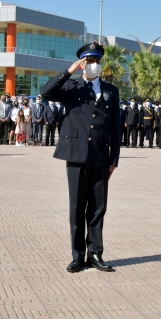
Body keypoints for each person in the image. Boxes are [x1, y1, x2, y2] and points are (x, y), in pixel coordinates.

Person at [40, 41, 121, 273]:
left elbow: (116, 127)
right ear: (82, 63)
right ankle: (78, 256)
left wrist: (113, 159)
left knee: (98, 208)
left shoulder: (111, 91)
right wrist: (69, 71)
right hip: (75, 154)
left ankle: (95, 253)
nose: (92, 65)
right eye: (88, 61)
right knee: (77, 208)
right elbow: (46, 92)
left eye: (96, 61)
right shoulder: (71, 87)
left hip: (100, 155)